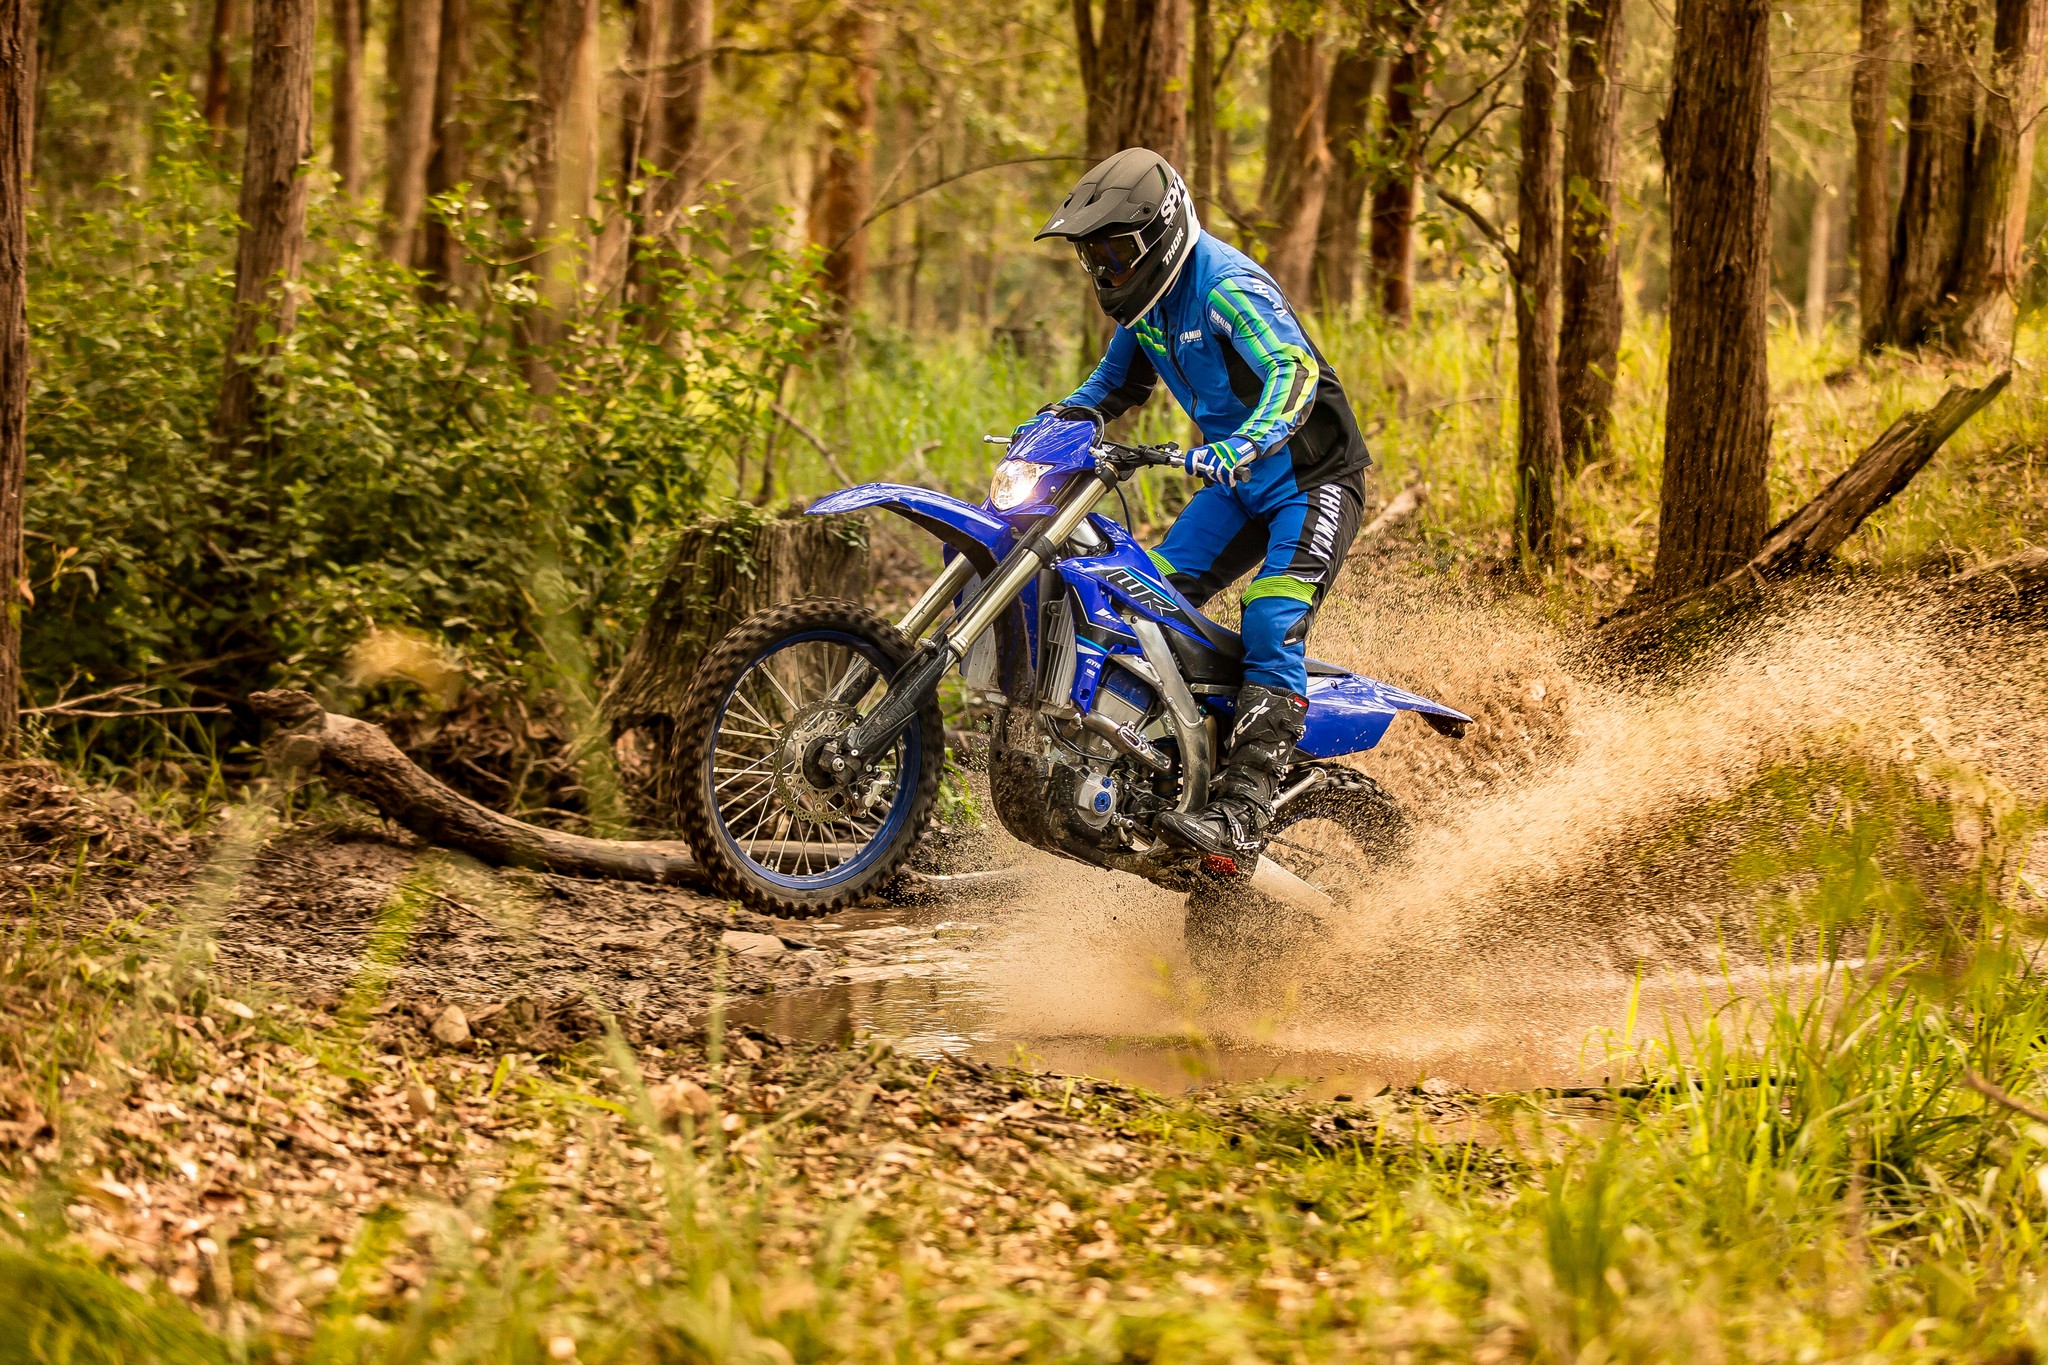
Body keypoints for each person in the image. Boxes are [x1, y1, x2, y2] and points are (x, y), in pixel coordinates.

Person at [1023, 147, 1371, 861]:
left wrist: (1245, 443)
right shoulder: (1149, 307)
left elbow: (1293, 370)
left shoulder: (1225, 287)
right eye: (1094, 259)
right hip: (1239, 487)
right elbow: (1111, 388)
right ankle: (1162, 765)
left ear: (1163, 231)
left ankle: (1243, 810)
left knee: (1271, 616)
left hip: (1313, 480)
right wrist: (1050, 428)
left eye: (1116, 254)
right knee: (1144, 594)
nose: (1107, 273)